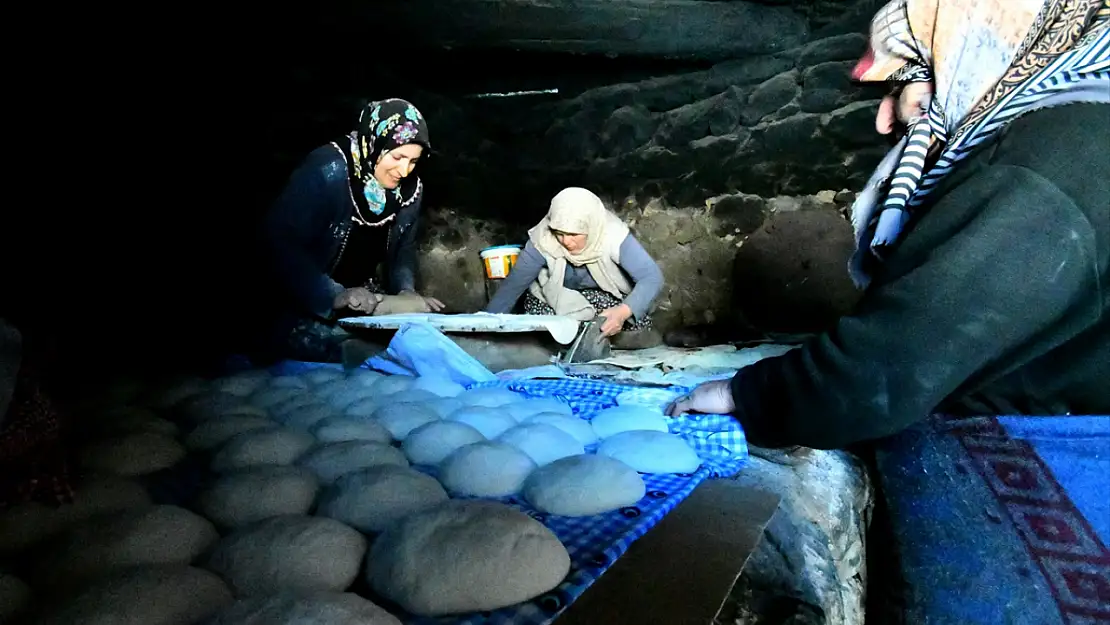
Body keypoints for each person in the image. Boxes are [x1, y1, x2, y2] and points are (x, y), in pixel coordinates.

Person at [670, 1, 1108, 622]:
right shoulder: (1073, 131)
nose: (884, 120)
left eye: (901, 84)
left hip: (1047, 478)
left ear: (963, 59)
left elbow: (879, 375)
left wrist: (746, 394)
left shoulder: (1050, 161)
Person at [258, 98, 445, 362]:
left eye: (414, 161)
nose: (405, 170)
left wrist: (406, 291)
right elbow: (277, 242)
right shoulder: (327, 171)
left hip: (359, 299)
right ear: (374, 143)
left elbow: (403, 249)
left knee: (416, 348)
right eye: (398, 157)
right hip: (301, 300)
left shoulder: (411, 190)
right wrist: (331, 294)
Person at [484, 187, 665, 349]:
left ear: (590, 226)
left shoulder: (612, 234)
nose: (566, 241)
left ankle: (583, 338)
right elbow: (513, 285)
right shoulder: (544, 236)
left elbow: (652, 277)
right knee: (535, 310)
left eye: (573, 234)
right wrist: (484, 328)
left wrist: (622, 312)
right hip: (557, 298)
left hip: (604, 299)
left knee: (632, 322)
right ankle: (585, 339)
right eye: (560, 233)